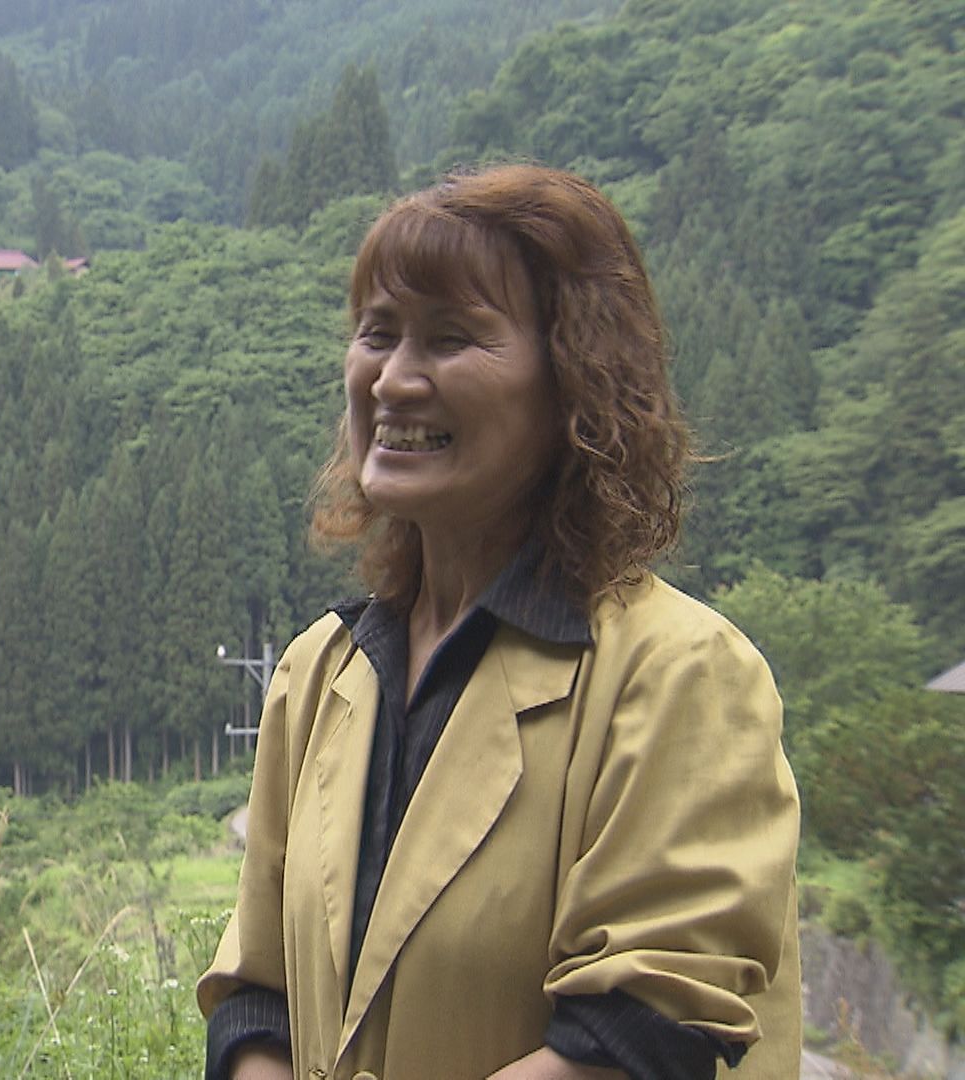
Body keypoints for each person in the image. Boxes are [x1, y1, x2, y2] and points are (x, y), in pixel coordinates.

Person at [198, 165, 801, 1079]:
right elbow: (257, 995)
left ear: (573, 383)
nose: (394, 380)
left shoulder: (680, 675)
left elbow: (640, 1037)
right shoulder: (321, 672)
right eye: (377, 334)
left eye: (451, 338)